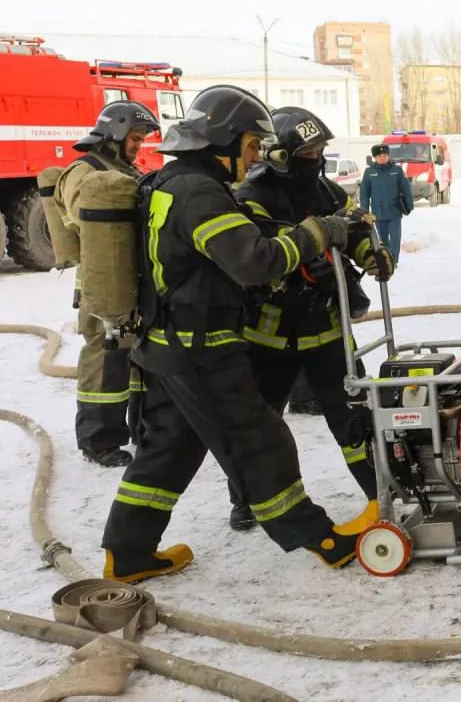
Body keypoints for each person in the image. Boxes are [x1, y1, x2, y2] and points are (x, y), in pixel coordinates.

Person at [100, 84, 371, 583]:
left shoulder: (170, 181)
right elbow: (255, 262)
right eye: (248, 147)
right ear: (221, 143)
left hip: (163, 346)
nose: (253, 159)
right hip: (200, 349)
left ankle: (128, 552)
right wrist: (319, 233)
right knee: (260, 441)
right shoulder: (198, 193)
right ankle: (322, 539)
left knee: (169, 449)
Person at [226, 106, 394, 531]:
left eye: (321, 149)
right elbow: (259, 256)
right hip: (270, 334)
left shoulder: (331, 194)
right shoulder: (250, 197)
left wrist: (371, 257)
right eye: (308, 151)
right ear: (280, 155)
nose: (316, 158)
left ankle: (381, 492)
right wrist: (301, 262)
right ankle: (247, 499)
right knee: (258, 424)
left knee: (353, 416)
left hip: (326, 328)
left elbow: (354, 233)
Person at [54, 101, 159, 467]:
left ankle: (133, 428)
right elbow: (88, 219)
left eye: (141, 139)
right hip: (103, 284)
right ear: (113, 132)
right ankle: (98, 439)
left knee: (130, 359)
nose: (138, 145)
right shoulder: (83, 173)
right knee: (104, 360)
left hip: (128, 279)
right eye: (134, 137)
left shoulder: (121, 169)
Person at [359, 144, 413, 264]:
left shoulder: (397, 171)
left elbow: (406, 189)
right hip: (378, 213)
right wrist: (364, 211)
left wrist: (409, 205)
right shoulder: (369, 172)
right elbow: (364, 194)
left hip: (394, 211)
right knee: (383, 240)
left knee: (395, 239)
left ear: (388, 156)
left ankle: (394, 260)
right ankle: (388, 259)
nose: (382, 158)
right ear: (375, 157)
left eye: (385, 155)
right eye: (379, 156)